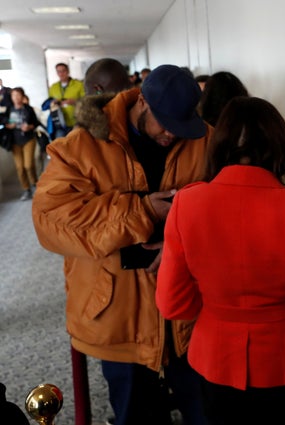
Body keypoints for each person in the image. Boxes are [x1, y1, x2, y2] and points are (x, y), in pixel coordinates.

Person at [32, 64, 213, 425]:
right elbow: (51, 222)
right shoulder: (80, 148)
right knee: (135, 416)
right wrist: (141, 211)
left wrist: (182, 246)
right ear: (141, 100)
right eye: (164, 123)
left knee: (205, 414)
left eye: (181, 125)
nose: (171, 134)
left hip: (191, 315)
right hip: (118, 317)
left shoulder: (204, 138)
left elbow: (228, 209)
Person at [156, 96, 285, 425]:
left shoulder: (186, 204)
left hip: (214, 356)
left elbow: (172, 304)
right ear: (280, 145)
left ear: (219, 144)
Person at [3, 87, 40, 200]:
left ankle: (35, 185)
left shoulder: (28, 109)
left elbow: (36, 122)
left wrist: (29, 127)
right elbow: (3, 121)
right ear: (11, 97)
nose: (16, 98)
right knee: (20, 167)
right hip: (14, 141)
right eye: (14, 95)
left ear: (23, 96)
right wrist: (7, 124)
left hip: (28, 139)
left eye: (19, 95)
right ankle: (26, 189)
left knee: (28, 165)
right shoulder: (9, 109)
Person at [43, 62, 85, 139]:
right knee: (60, 145)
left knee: (75, 144)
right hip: (59, 122)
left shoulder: (78, 85)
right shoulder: (54, 87)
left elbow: (86, 100)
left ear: (68, 71)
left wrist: (75, 102)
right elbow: (50, 102)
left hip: (75, 121)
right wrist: (53, 103)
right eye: (59, 71)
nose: (61, 73)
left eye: (63, 71)